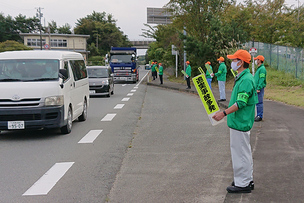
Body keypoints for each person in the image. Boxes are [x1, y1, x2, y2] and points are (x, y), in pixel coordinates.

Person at [212, 49, 258, 193]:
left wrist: (223, 113)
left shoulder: (245, 80)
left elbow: (241, 103)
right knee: (244, 152)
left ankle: (243, 184)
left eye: (234, 60)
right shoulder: (243, 77)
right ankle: (246, 179)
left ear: (241, 62)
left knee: (240, 153)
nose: (232, 62)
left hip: (240, 122)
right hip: (240, 122)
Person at [253, 55, 267, 122]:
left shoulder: (262, 69)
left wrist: (259, 87)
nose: (256, 61)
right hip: (257, 88)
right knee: (257, 102)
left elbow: (262, 79)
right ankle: (258, 115)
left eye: (257, 59)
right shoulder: (259, 68)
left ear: (259, 60)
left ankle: (259, 116)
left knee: (259, 102)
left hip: (259, 88)